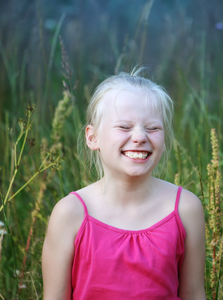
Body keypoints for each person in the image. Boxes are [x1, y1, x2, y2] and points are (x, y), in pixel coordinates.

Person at [42, 68, 206, 300]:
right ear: (92, 137)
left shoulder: (185, 209)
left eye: (153, 128)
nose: (140, 137)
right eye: (124, 127)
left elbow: (193, 293)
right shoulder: (70, 213)